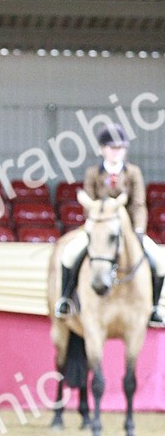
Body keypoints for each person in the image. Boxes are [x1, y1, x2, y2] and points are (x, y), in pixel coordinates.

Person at [54, 124, 165, 326]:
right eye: (112, 148)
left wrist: (139, 229)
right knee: (70, 253)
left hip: (128, 229)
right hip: (99, 228)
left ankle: (154, 307)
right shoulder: (93, 173)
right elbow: (89, 204)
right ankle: (66, 298)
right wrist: (98, 223)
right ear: (102, 149)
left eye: (120, 148)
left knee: (159, 260)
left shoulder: (133, 173)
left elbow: (139, 204)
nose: (116, 152)